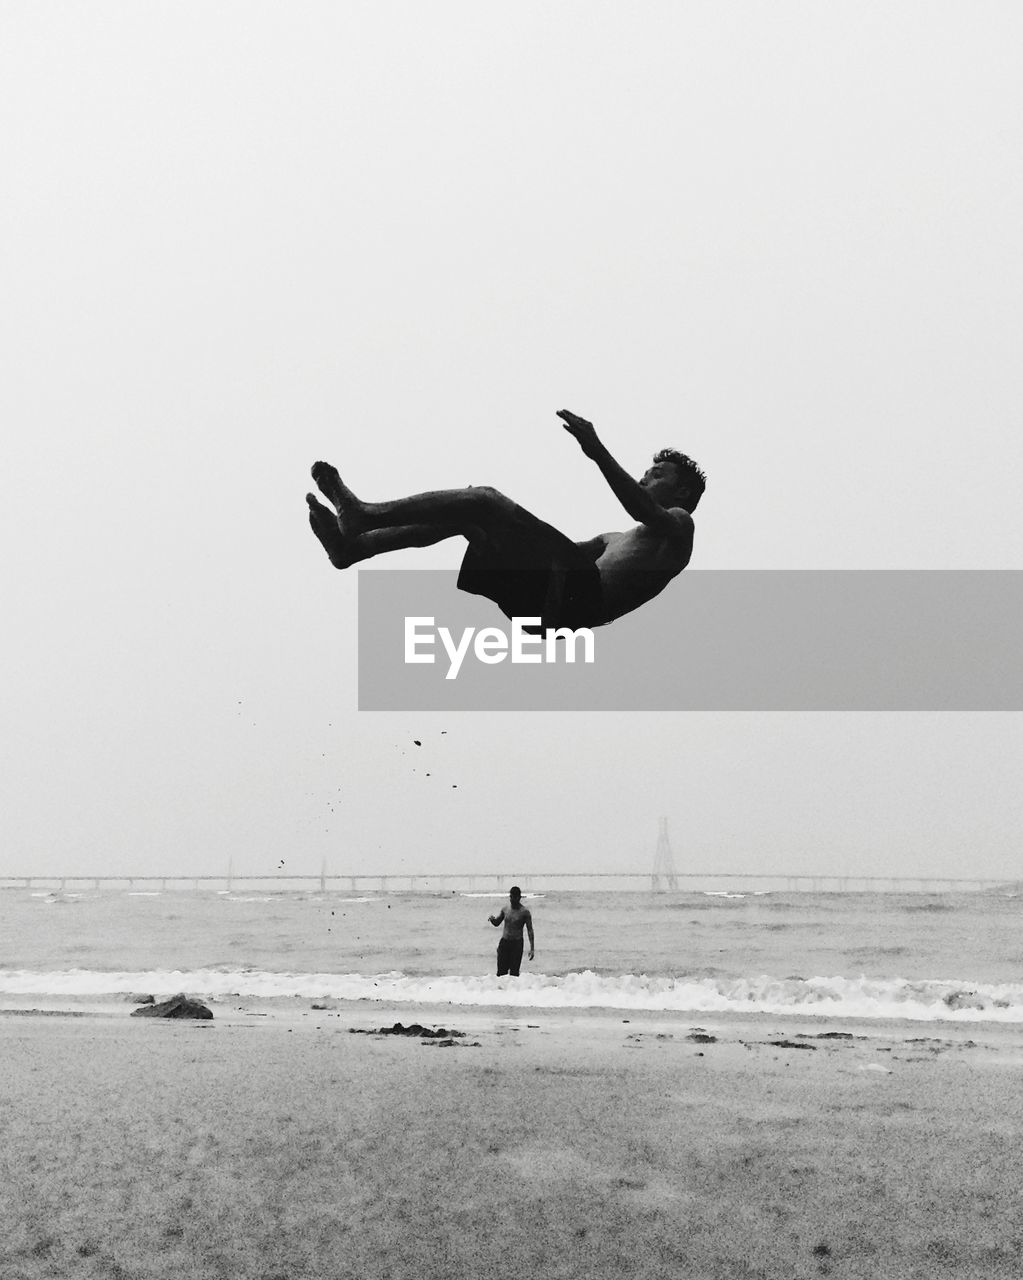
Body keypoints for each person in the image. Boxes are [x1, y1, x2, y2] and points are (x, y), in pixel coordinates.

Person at [306, 409, 705, 631]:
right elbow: (554, 547)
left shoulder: (679, 525)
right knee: (470, 513)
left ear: (682, 492)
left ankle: (365, 515)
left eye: (658, 475)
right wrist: (498, 527)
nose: (645, 477)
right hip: (548, 600)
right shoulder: (613, 539)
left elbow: (641, 509)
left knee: (485, 500)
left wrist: (597, 450)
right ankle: (355, 548)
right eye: (647, 472)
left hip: (577, 599)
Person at [488, 886, 535, 977]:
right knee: (501, 973)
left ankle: (513, 991)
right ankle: (501, 991)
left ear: (519, 898)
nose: (511, 899)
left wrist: (532, 948)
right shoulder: (505, 909)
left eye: (513, 897)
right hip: (504, 943)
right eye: (510, 897)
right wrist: (492, 920)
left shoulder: (525, 912)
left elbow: (530, 930)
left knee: (514, 974)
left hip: (517, 944)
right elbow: (497, 923)